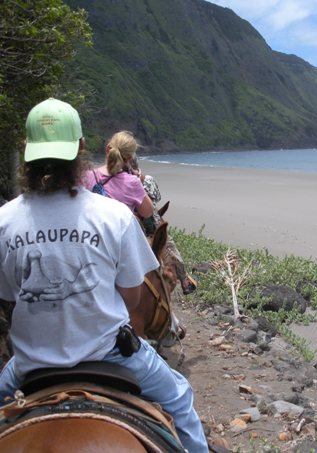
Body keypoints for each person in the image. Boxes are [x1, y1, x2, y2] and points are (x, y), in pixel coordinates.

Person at [0, 98, 208, 452]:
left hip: (30, 364)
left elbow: (8, 299)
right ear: (81, 148)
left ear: (27, 151)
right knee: (180, 398)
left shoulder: (5, 220)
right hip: (111, 355)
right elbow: (132, 297)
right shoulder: (113, 216)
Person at [130, 156, 197, 295]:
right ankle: (185, 282)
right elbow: (156, 199)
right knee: (171, 249)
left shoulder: (118, 181)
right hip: (150, 224)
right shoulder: (146, 179)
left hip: (130, 224)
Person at [82, 130, 153, 219]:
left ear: (108, 149)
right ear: (130, 157)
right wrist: (137, 181)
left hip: (90, 231)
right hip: (118, 232)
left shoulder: (86, 176)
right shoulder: (132, 182)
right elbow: (148, 212)